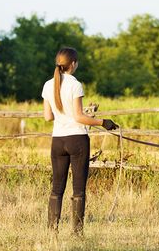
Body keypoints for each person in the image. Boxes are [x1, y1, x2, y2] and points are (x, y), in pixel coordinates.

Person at [42, 47, 118, 236]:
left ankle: (52, 231)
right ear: (73, 64)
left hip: (58, 141)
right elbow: (79, 117)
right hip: (77, 140)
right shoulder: (75, 85)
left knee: (57, 188)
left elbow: (47, 117)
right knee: (78, 189)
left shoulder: (48, 85)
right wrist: (104, 122)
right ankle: (77, 233)